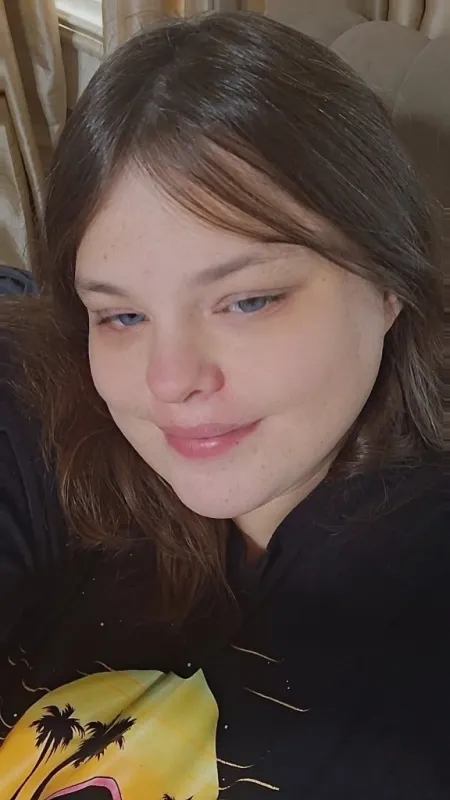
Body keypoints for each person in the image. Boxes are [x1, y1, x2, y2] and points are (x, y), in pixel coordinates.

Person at [0, 10, 448, 800]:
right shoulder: (48, 417)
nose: (170, 380)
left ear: (388, 283)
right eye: (122, 315)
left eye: (247, 301)